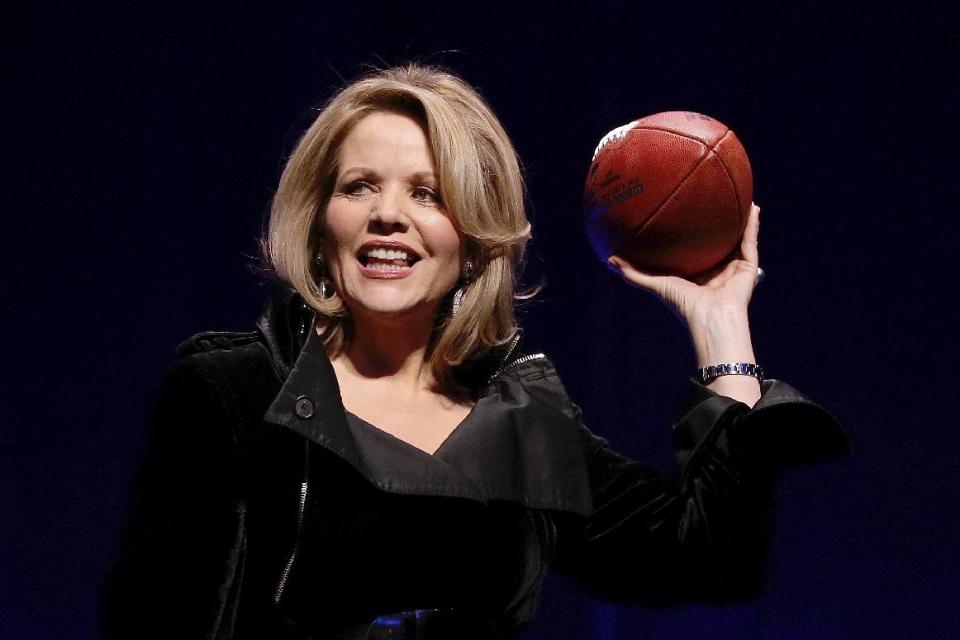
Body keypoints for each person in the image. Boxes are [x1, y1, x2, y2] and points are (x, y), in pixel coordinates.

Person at [102, 64, 848, 639]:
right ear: (320, 221)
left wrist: (721, 328)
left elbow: (707, 559)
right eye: (360, 186)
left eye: (428, 194)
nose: (389, 215)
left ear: (474, 239)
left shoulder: (520, 421)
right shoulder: (232, 392)